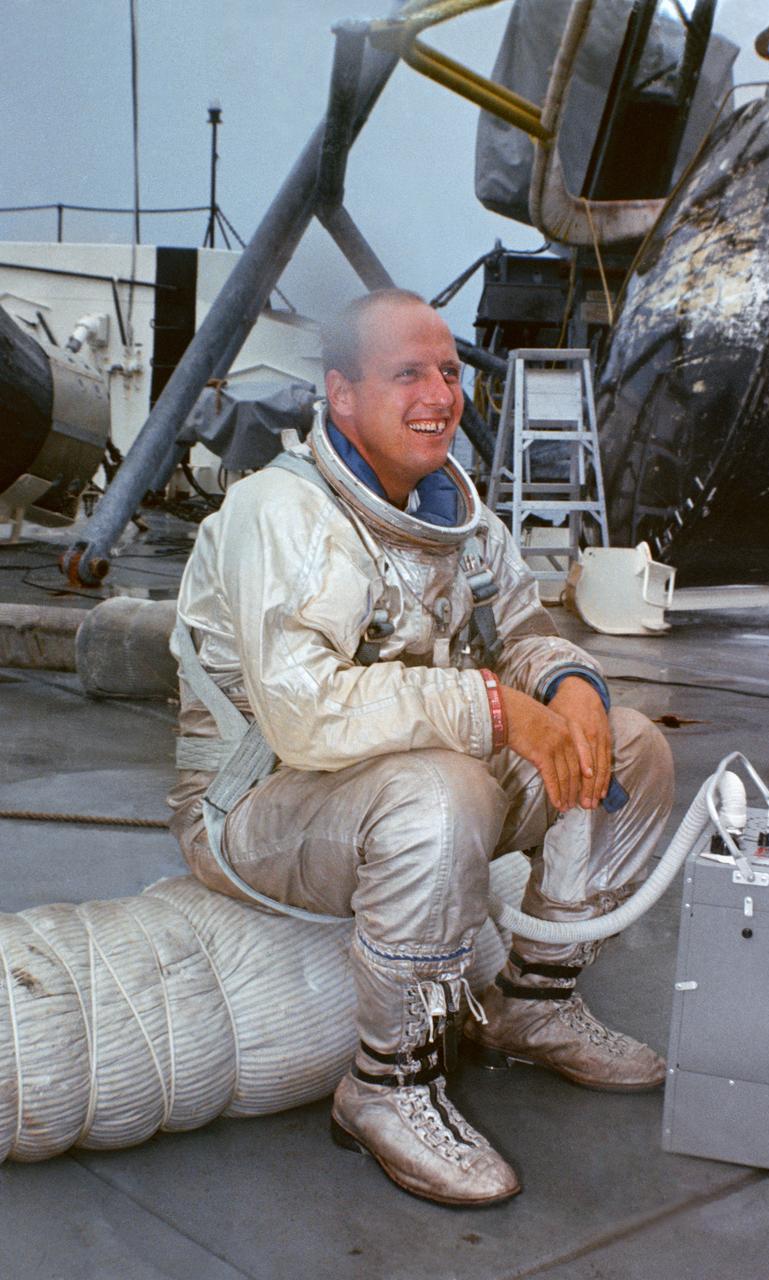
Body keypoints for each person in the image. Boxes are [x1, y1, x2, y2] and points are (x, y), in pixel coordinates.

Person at [168, 288, 674, 1207]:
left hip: (388, 784)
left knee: (630, 753)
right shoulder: (279, 515)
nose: (439, 392)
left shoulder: (459, 519)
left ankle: (534, 1000)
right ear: (341, 394)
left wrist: (564, 687)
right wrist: (493, 709)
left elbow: (518, 630)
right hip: (257, 806)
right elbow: (302, 714)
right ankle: (388, 1085)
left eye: (447, 370)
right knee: (445, 792)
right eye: (407, 372)